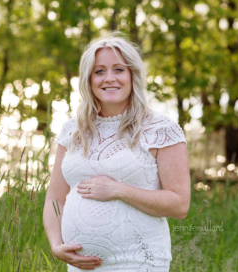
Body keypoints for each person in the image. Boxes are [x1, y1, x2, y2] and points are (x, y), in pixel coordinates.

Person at [42, 32, 191, 271]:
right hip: (79, 266)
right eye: (99, 71)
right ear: (88, 79)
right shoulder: (72, 130)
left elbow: (179, 204)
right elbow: (54, 198)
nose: (109, 78)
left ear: (133, 75)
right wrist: (56, 244)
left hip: (138, 261)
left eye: (119, 70)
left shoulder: (161, 129)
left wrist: (118, 190)